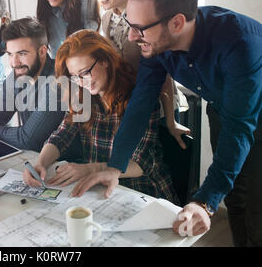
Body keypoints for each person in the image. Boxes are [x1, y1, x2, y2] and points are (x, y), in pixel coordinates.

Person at [72, 0, 262, 245]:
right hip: (224, 106)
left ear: (176, 22)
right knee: (234, 195)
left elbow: (239, 129)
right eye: (129, 24)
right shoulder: (155, 44)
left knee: (255, 204)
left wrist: (204, 202)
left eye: (139, 29)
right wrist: (115, 166)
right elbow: (141, 101)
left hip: (254, 109)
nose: (132, 38)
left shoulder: (240, 43)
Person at [23, 30, 179, 204]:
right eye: (75, 77)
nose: (81, 82)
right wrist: (40, 164)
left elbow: (141, 163)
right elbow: (62, 136)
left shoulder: (138, 96)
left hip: (141, 191)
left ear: (105, 60)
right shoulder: (83, 95)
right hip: (98, 189)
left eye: (85, 73)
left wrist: (89, 169)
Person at [93, 0, 190, 149]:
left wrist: (171, 121)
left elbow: (163, 74)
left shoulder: (147, 17)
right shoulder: (107, 18)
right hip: (133, 105)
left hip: (162, 106)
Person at [0, 17, 65, 152]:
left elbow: (27, 140)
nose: (14, 63)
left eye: (22, 54)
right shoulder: (18, 75)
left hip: (65, 164)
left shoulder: (57, 82)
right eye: (10, 54)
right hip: (35, 160)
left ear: (42, 51)